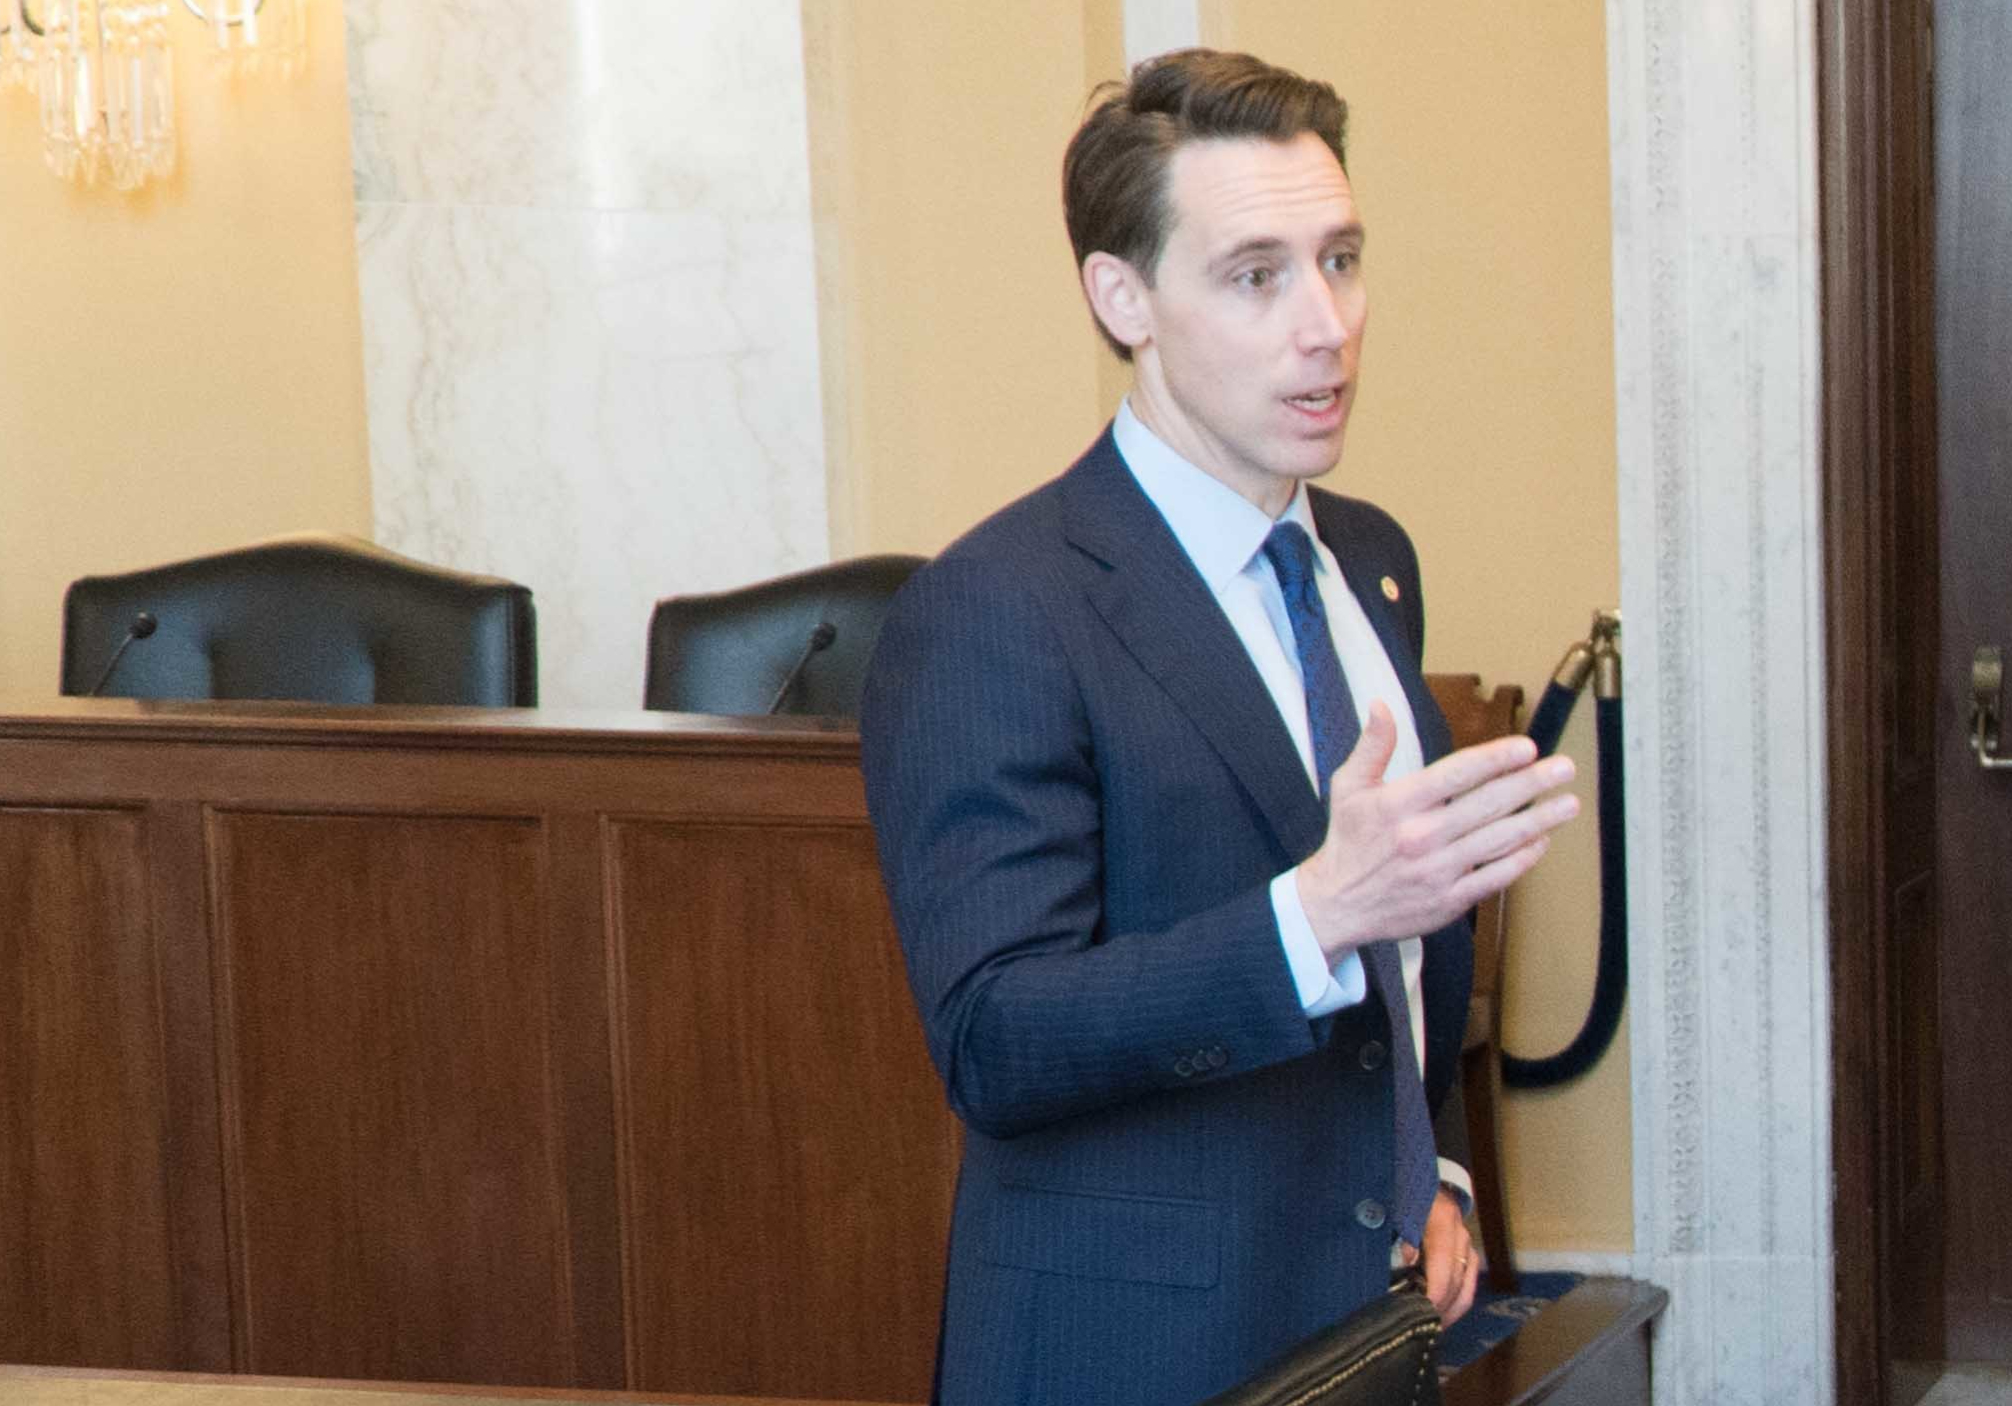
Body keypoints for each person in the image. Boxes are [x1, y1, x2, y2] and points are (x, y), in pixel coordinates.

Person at [859, 48, 1579, 1406]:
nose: (1328, 323)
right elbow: (998, 1036)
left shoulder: (1370, 556)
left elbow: (1408, 941)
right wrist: (1309, 915)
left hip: (1368, 1330)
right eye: (1256, 275)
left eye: (1343, 259)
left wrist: (1430, 1167)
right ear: (1120, 296)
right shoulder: (995, 609)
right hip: (1131, 1354)